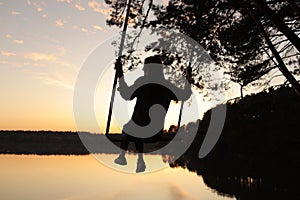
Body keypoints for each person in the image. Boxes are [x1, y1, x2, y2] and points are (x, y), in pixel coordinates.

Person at [114, 55, 192, 173]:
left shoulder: (143, 82)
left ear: (149, 69)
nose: (144, 71)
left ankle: (122, 157)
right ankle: (140, 160)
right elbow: (185, 95)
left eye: (145, 69)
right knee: (137, 125)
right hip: (155, 134)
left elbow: (126, 95)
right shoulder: (167, 86)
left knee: (129, 128)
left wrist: (120, 74)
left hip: (136, 132)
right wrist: (188, 78)